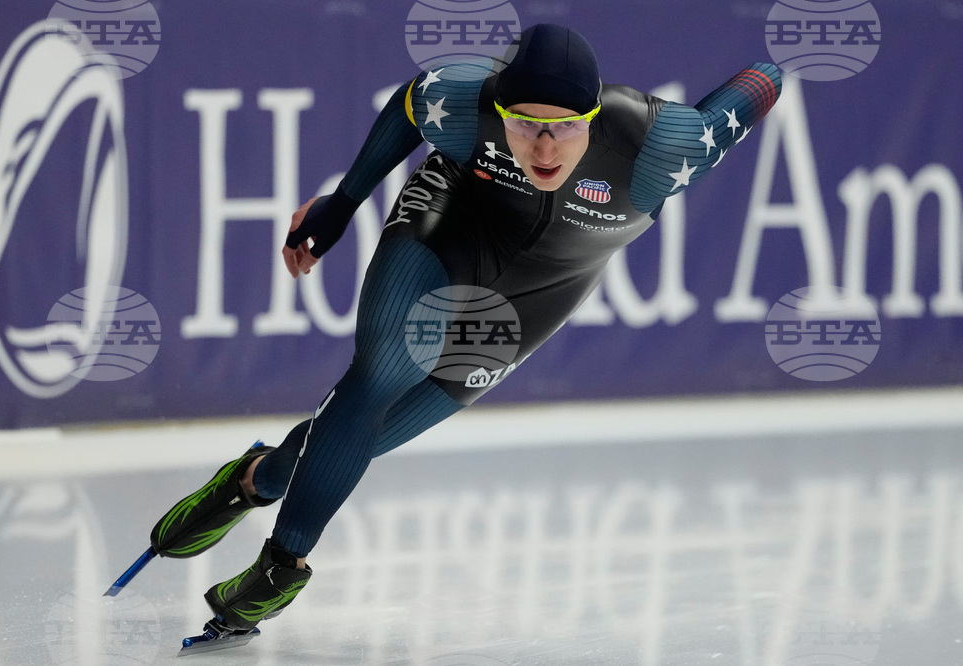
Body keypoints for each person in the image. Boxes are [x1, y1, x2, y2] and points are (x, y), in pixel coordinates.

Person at [148, 24, 783, 633]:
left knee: (360, 437)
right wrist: (344, 202)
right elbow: (406, 106)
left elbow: (739, 102)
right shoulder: (463, 97)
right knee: (380, 377)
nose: (543, 148)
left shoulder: (662, 147)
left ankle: (257, 478)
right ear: (499, 110)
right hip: (451, 225)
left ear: (592, 119)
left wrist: (780, 63)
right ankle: (279, 571)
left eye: (563, 129)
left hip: (541, 291)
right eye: (525, 125)